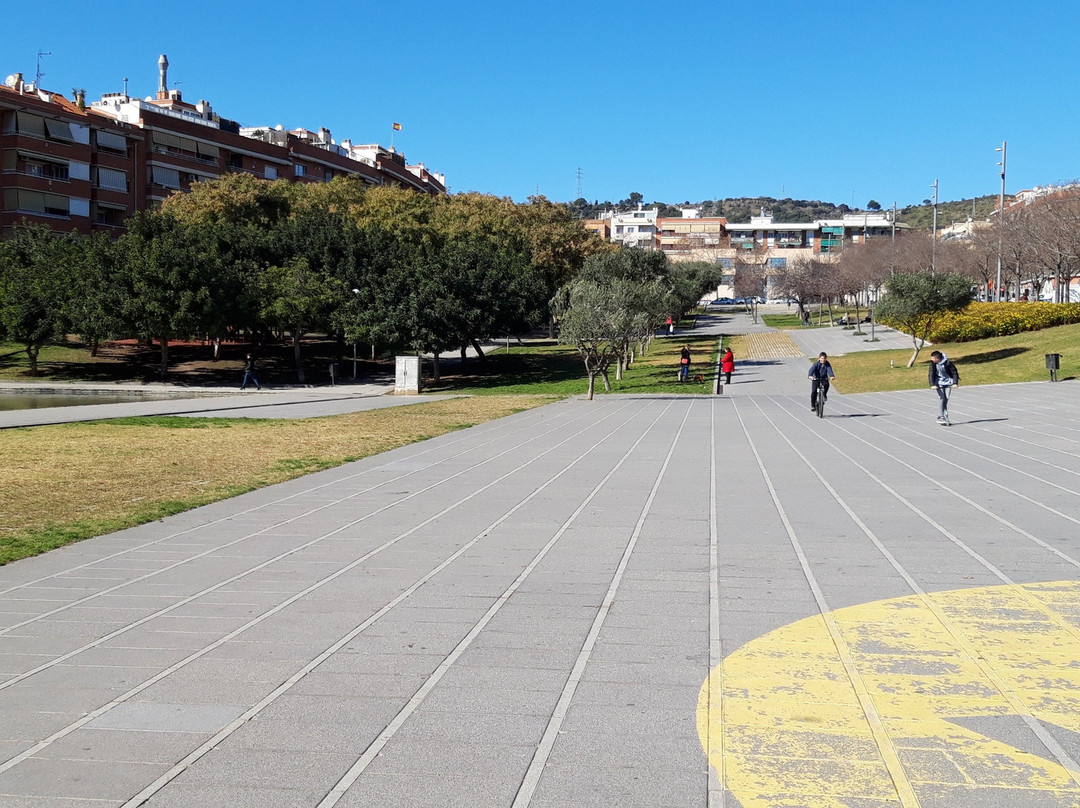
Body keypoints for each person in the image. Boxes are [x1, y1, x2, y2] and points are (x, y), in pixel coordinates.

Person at [928, 350, 959, 423]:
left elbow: (954, 372)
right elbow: (931, 374)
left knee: (946, 398)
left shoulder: (948, 363)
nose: (931, 359)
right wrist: (933, 385)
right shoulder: (933, 364)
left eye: (933, 358)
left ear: (937, 358)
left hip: (948, 382)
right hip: (939, 382)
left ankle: (943, 416)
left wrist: (955, 383)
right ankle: (940, 416)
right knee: (942, 398)